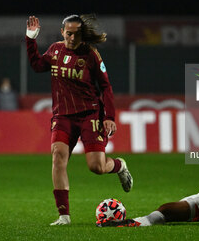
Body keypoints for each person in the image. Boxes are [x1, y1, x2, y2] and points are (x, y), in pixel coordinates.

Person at [26, 15, 133, 225]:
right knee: (58, 156)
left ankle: (120, 166)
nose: (72, 37)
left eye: (76, 33)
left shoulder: (91, 54)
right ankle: (64, 216)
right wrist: (31, 38)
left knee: (96, 167)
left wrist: (109, 117)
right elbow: (38, 65)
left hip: (89, 115)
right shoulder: (55, 50)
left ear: (82, 34)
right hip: (62, 115)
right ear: (62, 31)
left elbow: (106, 87)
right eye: (69, 33)